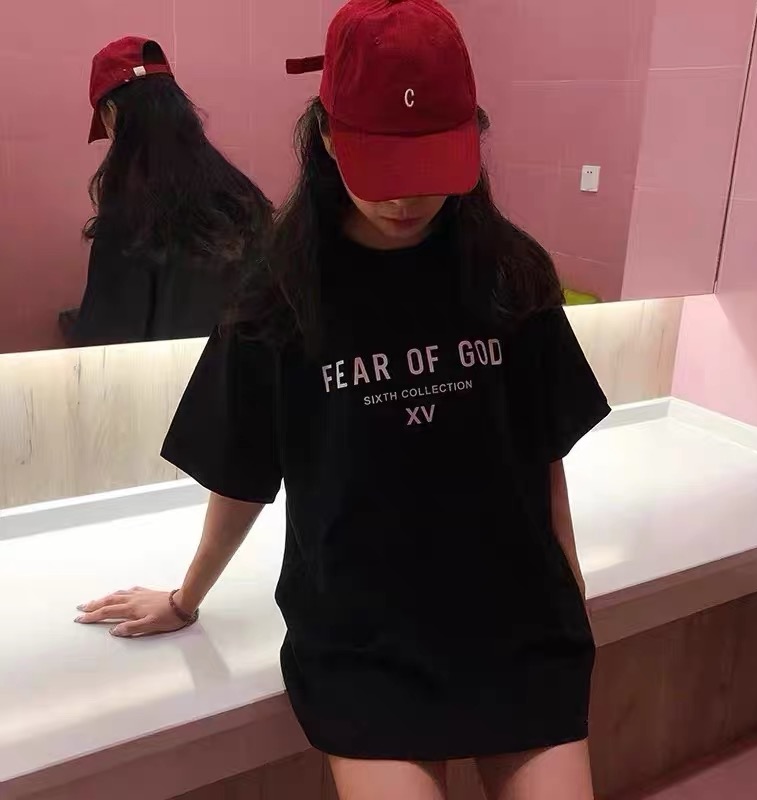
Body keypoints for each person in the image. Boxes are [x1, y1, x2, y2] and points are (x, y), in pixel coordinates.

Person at [76, 3, 609, 798]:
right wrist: (187, 598)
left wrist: (572, 594)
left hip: (518, 618)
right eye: (383, 166)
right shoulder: (278, 298)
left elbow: (539, 453)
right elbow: (244, 474)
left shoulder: (511, 274)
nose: (406, 199)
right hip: (364, 639)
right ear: (327, 136)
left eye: (431, 164)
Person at [71, 36, 272, 346]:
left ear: (110, 113)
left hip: (173, 377)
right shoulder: (241, 197)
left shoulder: (129, 220)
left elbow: (104, 348)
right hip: (246, 372)